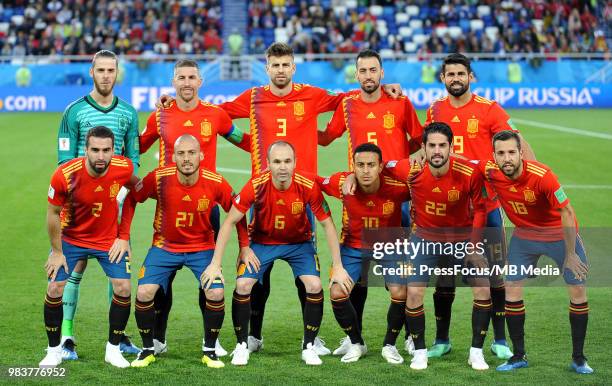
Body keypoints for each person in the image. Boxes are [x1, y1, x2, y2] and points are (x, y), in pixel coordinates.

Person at [424, 53, 536, 360]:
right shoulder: (435, 109)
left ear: (470, 76)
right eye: (450, 74)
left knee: (495, 274)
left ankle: (499, 339)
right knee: (444, 277)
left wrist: (533, 173)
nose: (456, 78)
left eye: (461, 73)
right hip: (448, 209)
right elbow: (427, 148)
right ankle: (442, 339)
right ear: (443, 78)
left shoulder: (489, 109)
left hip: (485, 206)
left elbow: (516, 138)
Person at [202, 141, 352, 366]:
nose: (282, 167)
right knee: (243, 285)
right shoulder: (255, 185)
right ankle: (242, 344)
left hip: (299, 244)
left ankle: (309, 346)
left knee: (314, 285)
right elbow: (229, 221)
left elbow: (328, 225)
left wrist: (338, 266)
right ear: (268, 164)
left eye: (287, 161)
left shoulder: (307, 186)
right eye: (277, 161)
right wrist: (216, 263)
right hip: (262, 244)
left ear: (295, 163)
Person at [139, 59, 249, 357]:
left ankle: (210, 340)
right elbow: (138, 147)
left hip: (207, 204)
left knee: (209, 277)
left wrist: (276, 148)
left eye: (191, 77)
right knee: (163, 279)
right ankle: (158, 339)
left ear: (200, 81)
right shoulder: (160, 116)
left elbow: (242, 140)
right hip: (168, 203)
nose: (186, 83)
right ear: (173, 82)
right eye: (181, 78)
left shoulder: (215, 115)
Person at [318, 49, 422, 356]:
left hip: (399, 198)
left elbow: (418, 141)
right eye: (362, 71)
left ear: (382, 73)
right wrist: (295, 126)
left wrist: (405, 170)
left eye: (372, 70)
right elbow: (327, 137)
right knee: (359, 272)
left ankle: (405, 335)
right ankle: (355, 337)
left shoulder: (400, 101)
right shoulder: (348, 104)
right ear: (356, 74)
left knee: (402, 277)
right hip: (361, 193)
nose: (368, 75)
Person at [119, 135, 249, 368]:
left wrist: (245, 247)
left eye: (191, 153)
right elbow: (132, 199)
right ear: (173, 157)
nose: (186, 159)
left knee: (216, 293)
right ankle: (148, 348)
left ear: (201, 155)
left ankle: (210, 350)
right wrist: (123, 237)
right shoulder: (159, 178)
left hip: (202, 248)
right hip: (164, 247)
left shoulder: (215, 181)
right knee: (145, 292)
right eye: (181, 154)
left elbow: (237, 210)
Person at [383, 122, 491, 371]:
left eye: (442, 145)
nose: (437, 151)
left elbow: (481, 210)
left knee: (483, 289)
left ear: (451, 147)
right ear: (423, 148)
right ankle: (420, 352)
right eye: (431, 145)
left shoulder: (469, 171)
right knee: (414, 293)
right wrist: (351, 179)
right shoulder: (411, 169)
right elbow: (381, 165)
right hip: (425, 238)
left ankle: (476, 353)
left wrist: (474, 248)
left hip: (463, 239)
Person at [483, 130, 592, 374]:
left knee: (577, 288)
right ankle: (518, 355)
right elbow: (463, 162)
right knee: (511, 286)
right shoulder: (490, 171)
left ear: (521, 153)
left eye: (512, 152)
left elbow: (567, 212)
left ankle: (579, 358)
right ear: (494, 156)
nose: (507, 158)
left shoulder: (543, 176)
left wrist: (571, 254)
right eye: (501, 153)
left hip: (558, 236)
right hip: (525, 236)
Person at [56, 49, 140, 359]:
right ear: (91, 72)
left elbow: (132, 160)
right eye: (101, 70)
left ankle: (117, 339)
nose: (106, 75)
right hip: (77, 204)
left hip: (112, 204)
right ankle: (66, 336)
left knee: (117, 271)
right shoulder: (74, 111)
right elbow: (64, 159)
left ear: (117, 74)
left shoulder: (128, 114)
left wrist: (118, 193)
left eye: (111, 70)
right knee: (73, 267)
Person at [39, 126, 135, 368]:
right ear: (85, 149)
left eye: (106, 150)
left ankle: (113, 349)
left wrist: (123, 236)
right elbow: (52, 213)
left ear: (114, 150)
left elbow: (136, 191)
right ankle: (53, 350)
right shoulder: (64, 174)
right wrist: (57, 252)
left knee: (123, 287)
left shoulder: (124, 168)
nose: (100, 156)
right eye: (95, 150)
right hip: (71, 239)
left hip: (107, 240)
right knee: (54, 288)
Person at [318, 143, 409, 364]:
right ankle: (356, 342)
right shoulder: (343, 184)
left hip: (389, 247)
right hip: (353, 247)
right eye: (360, 165)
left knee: (401, 292)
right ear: (353, 167)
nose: (365, 170)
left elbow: (422, 179)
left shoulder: (397, 187)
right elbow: (315, 181)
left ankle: (390, 345)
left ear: (380, 167)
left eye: (371, 165)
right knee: (337, 292)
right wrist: (348, 176)